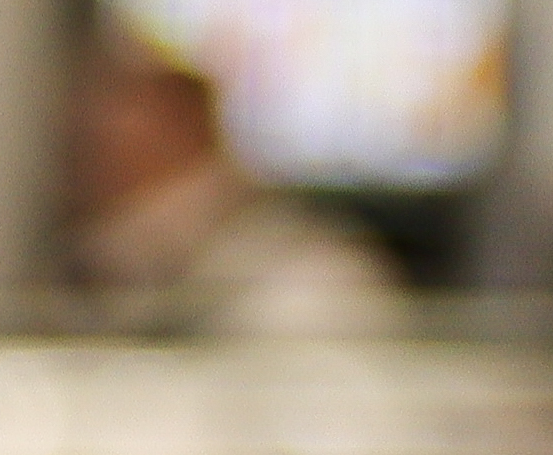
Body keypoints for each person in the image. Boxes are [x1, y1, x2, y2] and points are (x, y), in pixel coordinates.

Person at [62, 29, 403, 337]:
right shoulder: (120, 258)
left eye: (119, 106)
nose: (89, 128)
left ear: (181, 119)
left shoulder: (311, 285)